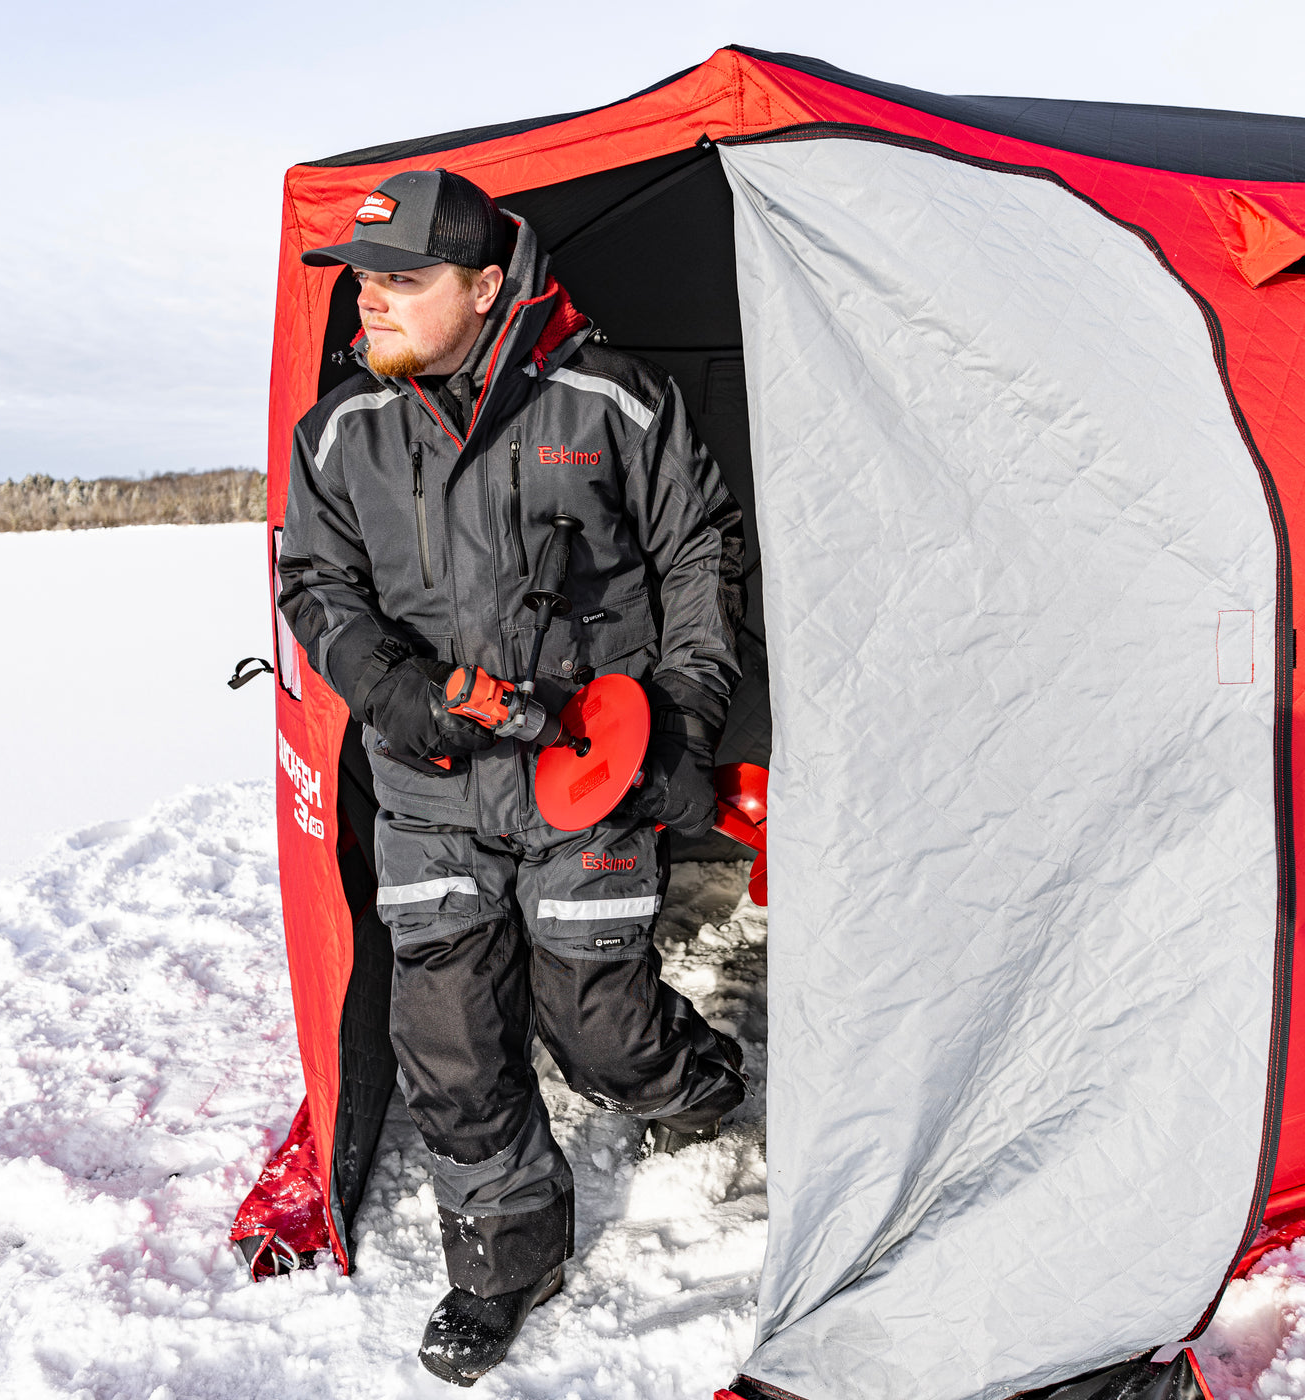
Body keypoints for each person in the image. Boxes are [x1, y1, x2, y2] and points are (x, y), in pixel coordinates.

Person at [277, 168, 748, 1387]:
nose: (369, 302)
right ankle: (503, 1261)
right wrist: (393, 689)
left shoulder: (612, 399)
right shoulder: (337, 428)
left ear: (486, 287)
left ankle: (691, 1081)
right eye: (363, 279)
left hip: (582, 776)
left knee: (594, 1022)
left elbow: (696, 551)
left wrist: (680, 726)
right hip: (430, 784)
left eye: (402, 280)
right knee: (451, 1045)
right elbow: (317, 586)